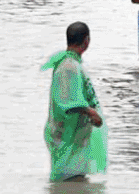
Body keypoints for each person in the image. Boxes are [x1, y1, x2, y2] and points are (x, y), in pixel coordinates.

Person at [41, 22, 106, 182]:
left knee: (76, 181)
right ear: (87, 41)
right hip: (65, 135)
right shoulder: (68, 66)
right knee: (68, 179)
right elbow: (67, 101)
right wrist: (91, 112)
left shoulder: (72, 62)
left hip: (74, 135)